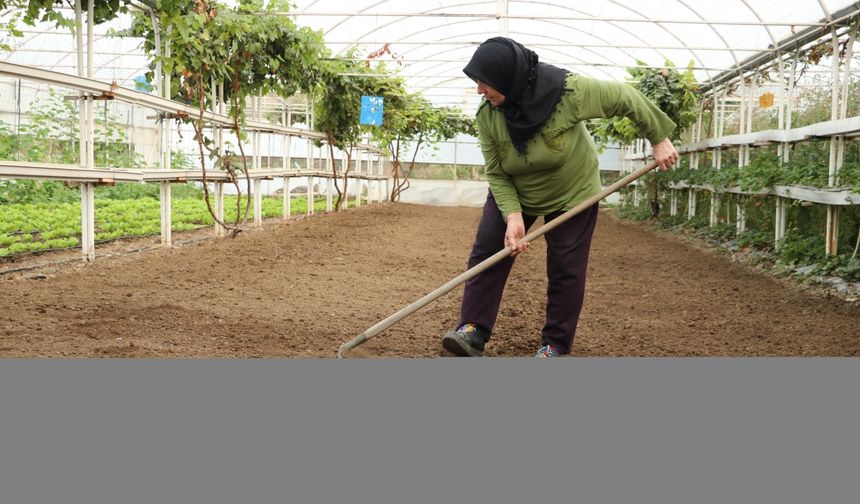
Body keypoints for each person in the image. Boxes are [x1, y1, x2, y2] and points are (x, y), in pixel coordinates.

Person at [441, 37, 679, 358]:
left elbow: (625, 96)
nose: (479, 90)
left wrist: (659, 138)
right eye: (477, 82)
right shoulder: (488, 115)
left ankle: (554, 344)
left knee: (566, 268)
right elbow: (497, 172)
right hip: (517, 191)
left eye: (485, 82)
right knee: (488, 252)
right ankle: (472, 329)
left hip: (572, 191)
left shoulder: (568, 92)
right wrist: (512, 216)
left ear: (508, 76)